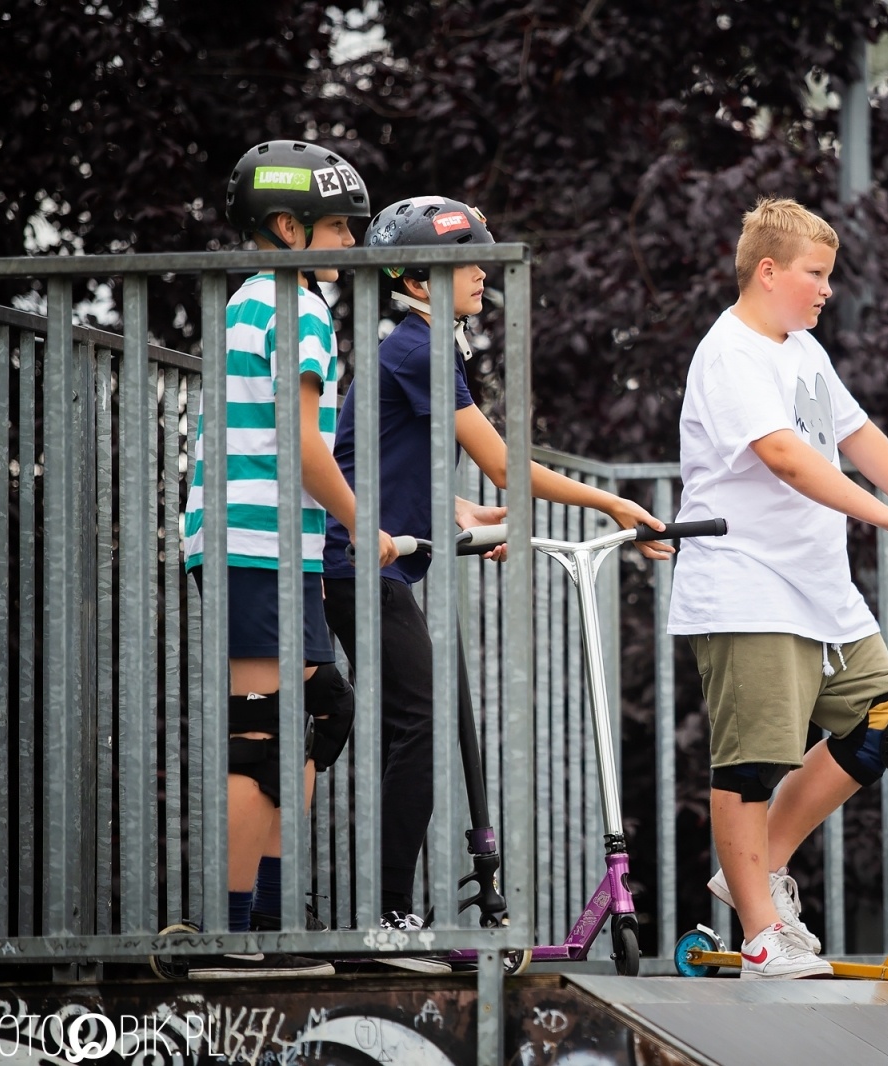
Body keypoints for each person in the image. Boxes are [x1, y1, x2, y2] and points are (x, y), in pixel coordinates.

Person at [321, 195, 674, 973]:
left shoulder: (418, 348)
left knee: (421, 724)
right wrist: (614, 500)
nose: (482, 271)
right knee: (418, 726)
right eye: (467, 260)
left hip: (372, 569)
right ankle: (388, 923)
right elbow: (509, 464)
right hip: (357, 570)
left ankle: (393, 918)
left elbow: (398, 471)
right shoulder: (418, 349)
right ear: (420, 277)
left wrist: (481, 521)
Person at [666, 197, 888, 979]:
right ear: (769, 272)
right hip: (748, 587)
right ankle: (764, 931)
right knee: (753, 762)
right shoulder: (730, 353)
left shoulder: (803, 349)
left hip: (819, 592)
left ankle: (757, 870)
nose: (826, 290)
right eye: (816, 274)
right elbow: (785, 458)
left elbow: (855, 436)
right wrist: (886, 518)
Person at [182, 139, 396, 978]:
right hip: (254, 544)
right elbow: (302, 443)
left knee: (318, 714)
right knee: (261, 733)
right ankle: (239, 939)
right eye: (340, 229)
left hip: (271, 548)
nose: (352, 245)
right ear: (286, 226)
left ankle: (274, 922)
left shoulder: (255, 301)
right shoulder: (296, 307)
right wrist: (363, 521)